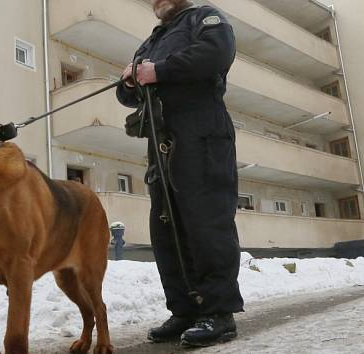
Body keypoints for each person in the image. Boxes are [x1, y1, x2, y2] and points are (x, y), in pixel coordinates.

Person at [116, 0, 244, 348]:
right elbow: (125, 93)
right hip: (160, 136)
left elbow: (216, 53)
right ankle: (185, 309)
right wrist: (129, 82)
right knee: (165, 225)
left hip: (201, 129)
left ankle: (218, 312)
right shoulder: (153, 40)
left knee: (205, 219)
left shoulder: (204, 17)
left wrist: (160, 70)